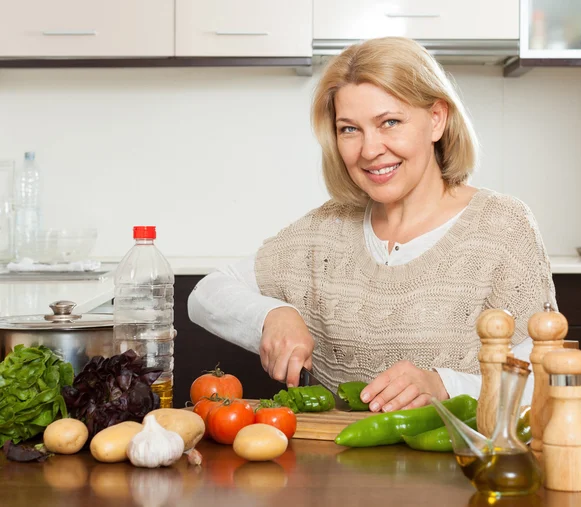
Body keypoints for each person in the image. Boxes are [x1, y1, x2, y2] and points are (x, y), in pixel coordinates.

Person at [188, 37, 555, 412]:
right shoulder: (324, 231)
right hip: (333, 464)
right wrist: (273, 315)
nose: (369, 150)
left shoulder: (503, 227)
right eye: (349, 129)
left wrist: (445, 385)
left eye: (390, 122)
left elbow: (544, 377)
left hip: (460, 465)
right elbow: (205, 294)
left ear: (436, 119)